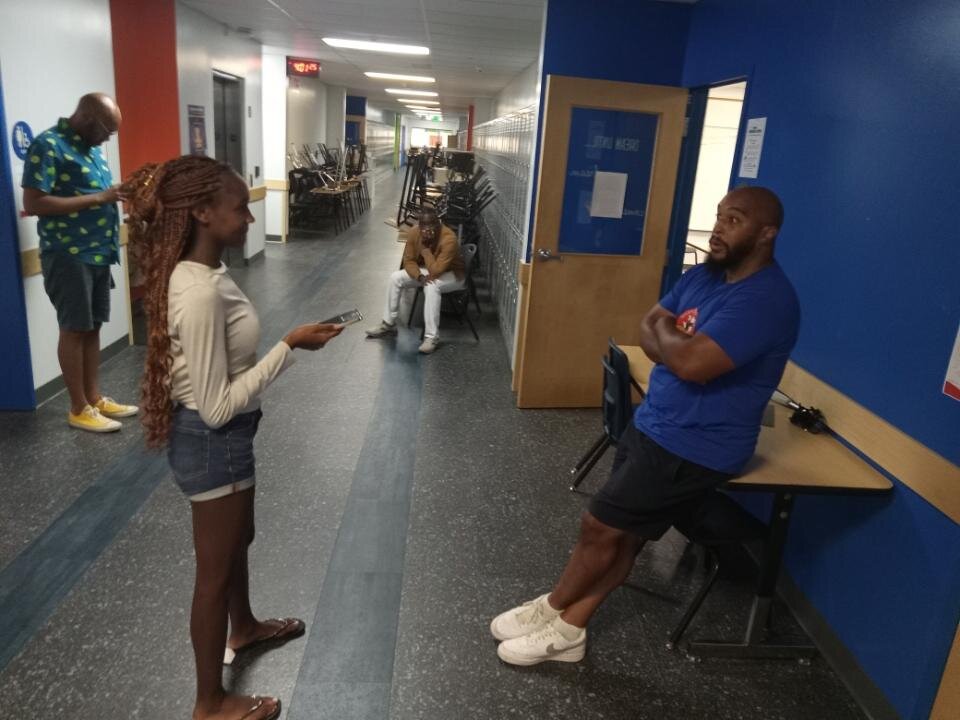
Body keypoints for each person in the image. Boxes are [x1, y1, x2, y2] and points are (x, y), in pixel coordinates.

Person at [489, 186, 800, 666]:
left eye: (734, 220)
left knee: (599, 525)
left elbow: (693, 364)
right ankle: (571, 629)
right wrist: (677, 346)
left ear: (766, 234)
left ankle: (551, 607)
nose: (718, 228)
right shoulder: (704, 276)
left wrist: (672, 345)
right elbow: (649, 325)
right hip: (654, 422)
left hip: (693, 446)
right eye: (719, 216)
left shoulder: (765, 300)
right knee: (625, 534)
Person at [126, 155, 343, 720]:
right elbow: (217, 407)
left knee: (238, 538)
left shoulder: (206, 273)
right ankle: (209, 701)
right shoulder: (198, 291)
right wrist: (289, 347)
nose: (249, 216)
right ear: (201, 212)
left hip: (226, 438)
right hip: (212, 440)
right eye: (239, 207)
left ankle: (243, 626)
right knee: (213, 573)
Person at [21, 93, 138, 432]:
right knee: (73, 328)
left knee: (92, 326)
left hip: (98, 251)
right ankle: (78, 407)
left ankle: (94, 398)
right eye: (107, 132)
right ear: (88, 119)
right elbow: (35, 202)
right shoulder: (49, 145)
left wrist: (115, 192)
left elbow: (91, 193)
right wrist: (100, 197)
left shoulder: (91, 150)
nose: (107, 139)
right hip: (68, 254)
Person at [365, 205, 465, 354]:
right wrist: (419, 276)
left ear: (438, 224)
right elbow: (409, 261)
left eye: (431, 226)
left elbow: (436, 271)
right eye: (423, 226)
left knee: (432, 286)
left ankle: (432, 337)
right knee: (395, 277)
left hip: (453, 274)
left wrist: (425, 250)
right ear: (420, 225)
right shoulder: (414, 232)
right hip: (428, 270)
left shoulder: (448, 238)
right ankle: (388, 324)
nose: (427, 230)